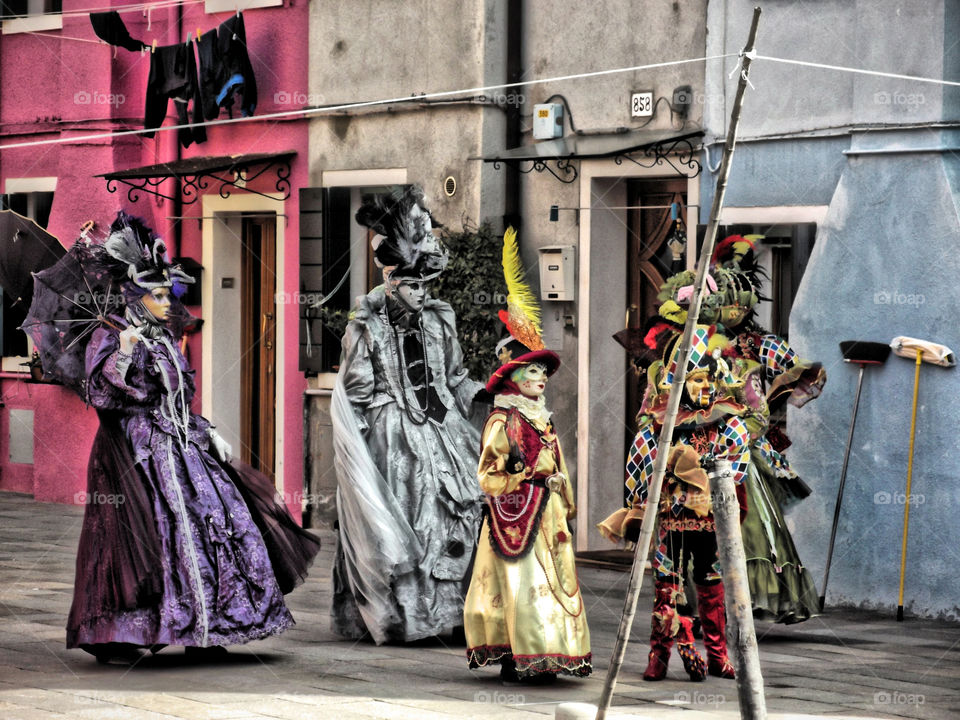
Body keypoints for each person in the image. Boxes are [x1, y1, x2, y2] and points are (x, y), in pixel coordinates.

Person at [66, 213, 319, 663]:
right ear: (136, 296)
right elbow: (103, 395)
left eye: (168, 294)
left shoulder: (164, 338)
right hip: (138, 453)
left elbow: (180, 395)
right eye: (158, 295)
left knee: (220, 523)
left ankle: (209, 630)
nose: (168, 303)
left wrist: (209, 433)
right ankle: (132, 630)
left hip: (184, 447)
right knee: (158, 535)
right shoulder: (110, 337)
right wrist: (122, 354)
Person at [331, 186, 485, 644]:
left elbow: (454, 377)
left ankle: (454, 615)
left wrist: (490, 394)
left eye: (425, 285)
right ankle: (408, 618)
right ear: (391, 282)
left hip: (446, 431)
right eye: (412, 285)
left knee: (464, 512)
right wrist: (361, 449)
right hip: (393, 435)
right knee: (410, 519)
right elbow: (357, 390)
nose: (421, 293)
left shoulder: (440, 320)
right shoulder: (365, 327)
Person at [463, 228, 591, 682]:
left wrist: (559, 487)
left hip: (549, 513)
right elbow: (490, 476)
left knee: (557, 583)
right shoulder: (503, 421)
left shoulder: (541, 416)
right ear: (513, 378)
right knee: (520, 585)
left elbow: (556, 461)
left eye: (542, 371)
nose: (541, 378)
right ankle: (520, 654)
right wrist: (530, 476)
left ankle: (551, 652)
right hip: (517, 513)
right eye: (532, 371)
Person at [600, 325, 749, 681]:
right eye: (695, 380)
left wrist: (701, 478)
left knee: (712, 586)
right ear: (678, 383)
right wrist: (643, 498)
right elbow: (639, 466)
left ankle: (717, 655)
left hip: (710, 521)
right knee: (666, 586)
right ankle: (659, 657)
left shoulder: (729, 423)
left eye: (707, 380)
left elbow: (737, 468)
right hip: (669, 520)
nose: (704, 387)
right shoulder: (658, 424)